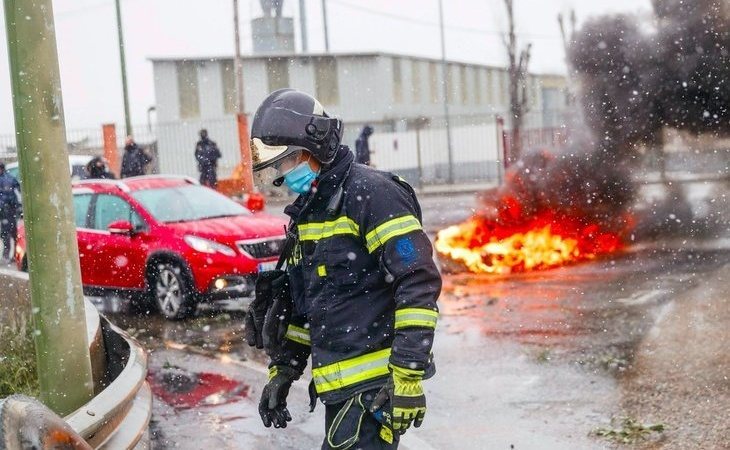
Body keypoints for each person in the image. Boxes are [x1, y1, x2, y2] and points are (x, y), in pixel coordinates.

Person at [246, 89, 441, 449]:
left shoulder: (373, 195)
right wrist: (284, 369)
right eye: (276, 168)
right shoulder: (311, 211)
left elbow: (417, 281)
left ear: (315, 147)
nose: (283, 176)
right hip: (338, 394)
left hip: (376, 392)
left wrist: (408, 375)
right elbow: (309, 304)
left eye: (287, 162)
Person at [0, 162, 21, 262]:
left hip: (7, 210)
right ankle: (12, 255)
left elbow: (7, 196)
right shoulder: (10, 178)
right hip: (10, 210)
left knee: (7, 233)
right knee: (11, 232)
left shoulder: (7, 179)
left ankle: (8, 255)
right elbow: (19, 190)